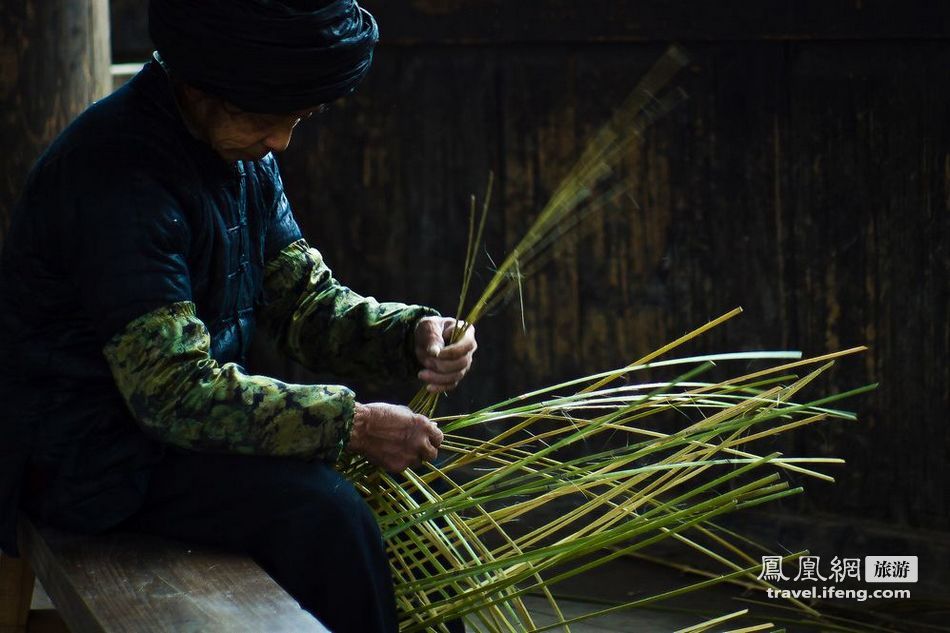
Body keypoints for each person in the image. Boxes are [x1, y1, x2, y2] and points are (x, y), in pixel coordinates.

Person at [0, 0, 476, 630]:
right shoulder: (116, 177)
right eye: (266, 120)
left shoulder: (242, 154)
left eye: (297, 120)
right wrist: (353, 424)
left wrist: (410, 336)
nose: (280, 140)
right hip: (85, 456)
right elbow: (174, 392)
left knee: (419, 513)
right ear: (197, 88)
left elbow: (304, 301)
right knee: (327, 515)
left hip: (162, 439)